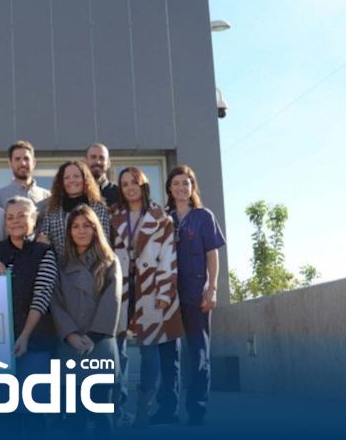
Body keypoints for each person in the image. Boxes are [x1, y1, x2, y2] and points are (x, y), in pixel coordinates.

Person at [0, 197, 58, 434]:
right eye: (10, 217)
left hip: (34, 343)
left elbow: (41, 297)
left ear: (34, 219)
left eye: (22, 216)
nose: (15, 221)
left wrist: (24, 336)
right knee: (0, 415)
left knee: (33, 414)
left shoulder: (45, 252)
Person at [111, 167, 184, 428]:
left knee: (149, 349)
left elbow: (168, 257)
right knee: (117, 347)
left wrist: (165, 291)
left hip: (151, 287)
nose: (130, 187)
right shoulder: (114, 217)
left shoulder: (161, 218)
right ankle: (117, 407)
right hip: (121, 289)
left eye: (134, 182)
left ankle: (143, 409)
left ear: (143, 185)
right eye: (124, 184)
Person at [158, 165, 225, 427]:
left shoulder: (203, 216)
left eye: (186, 183)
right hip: (168, 294)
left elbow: (212, 254)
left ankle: (197, 410)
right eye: (176, 183)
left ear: (192, 187)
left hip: (196, 292)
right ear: (169, 188)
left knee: (198, 353)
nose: (181, 188)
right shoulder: (164, 218)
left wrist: (212, 288)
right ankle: (168, 410)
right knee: (168, 355)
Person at [50, 204, 122, 437]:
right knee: (74, 417)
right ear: (69, 231)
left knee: (102, 414)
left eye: (86, 226)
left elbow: (112, 300)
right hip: (70, 346)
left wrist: (93, 337)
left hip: (99, 345)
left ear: (95, 229)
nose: (81, 231)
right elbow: (55, 302)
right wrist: (71, 334)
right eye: (75, 226)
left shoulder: (109, 261)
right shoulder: (60, 263)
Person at [36, 160, 111, 260]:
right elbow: (44, 240)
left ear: (85, 179)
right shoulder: (52, 210)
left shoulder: (98, 207)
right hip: (60, 266)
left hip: (93, 264)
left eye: (76, 176)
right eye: (67, 177)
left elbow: (104, 240)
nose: (72, 180)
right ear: (61, 182)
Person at [0, 140, 51, 209]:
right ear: (10, 163)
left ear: (34, 163)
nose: (23, 163)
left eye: (26, 158)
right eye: (17, 159)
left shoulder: (47, 197)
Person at [85, 143, 121, 208]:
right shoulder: (77, 191)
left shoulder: (119, 193)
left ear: (108, 163)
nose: (97, 162)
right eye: (93, 157)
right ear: (86, 161)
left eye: (102, 158)